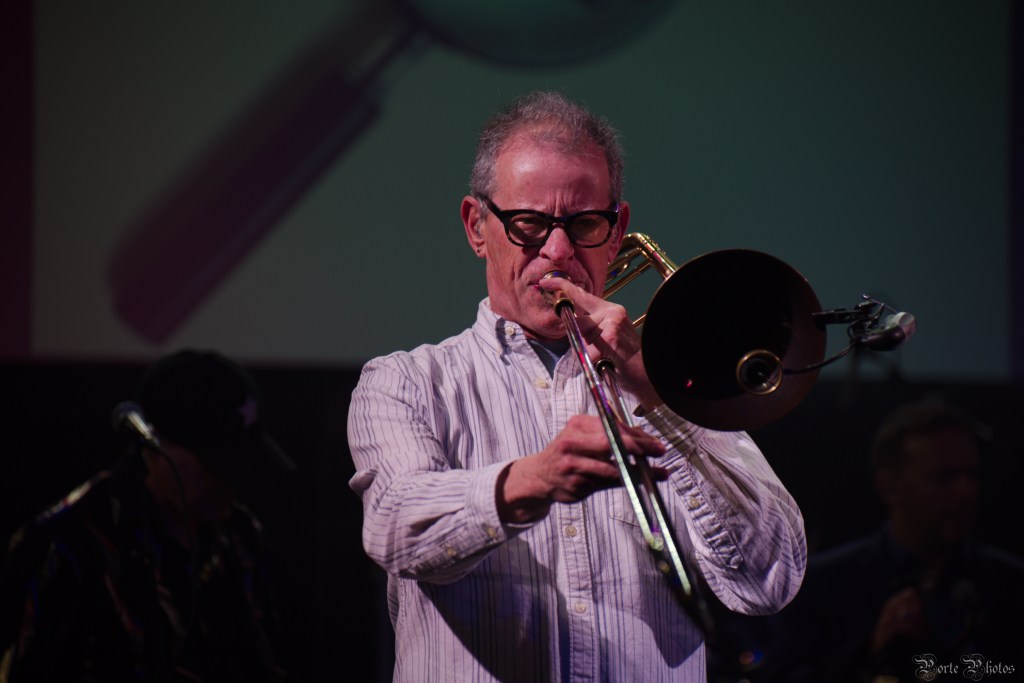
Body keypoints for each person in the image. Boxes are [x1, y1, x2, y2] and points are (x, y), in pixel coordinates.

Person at [346, 90, 807, 682]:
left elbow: (771, 581)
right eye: (529, 223)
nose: (559, 251)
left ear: (617, 231)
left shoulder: (669, 389)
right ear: (476, 226)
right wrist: (533, 480)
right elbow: (393, 529)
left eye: (585, 223)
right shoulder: (406, 383)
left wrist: (661, 400)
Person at [0, 349, 294, 682]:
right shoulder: (67, 542)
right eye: (215, 465)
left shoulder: (241, 535)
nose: (230, 483)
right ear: (153, 447)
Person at [769, 399, 1024, 682]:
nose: (966, 492)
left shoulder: (1012, 586)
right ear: (889, 487)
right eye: (945, 477)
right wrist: (870, 653)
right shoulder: (821, 587)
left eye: (973, 476)